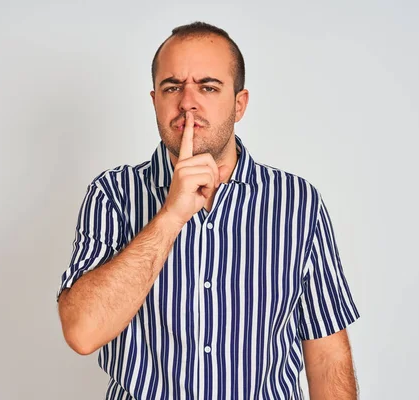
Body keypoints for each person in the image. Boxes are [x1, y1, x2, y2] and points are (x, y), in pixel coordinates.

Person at [56, 21, 361, 400]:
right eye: (172, 87)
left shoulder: (297, 202)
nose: (187, 101)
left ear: (239, 104)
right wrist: (171, 216)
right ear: (155, 101)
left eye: (208, 86)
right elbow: (82, 332)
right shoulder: (112, 194)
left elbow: (327, 355)